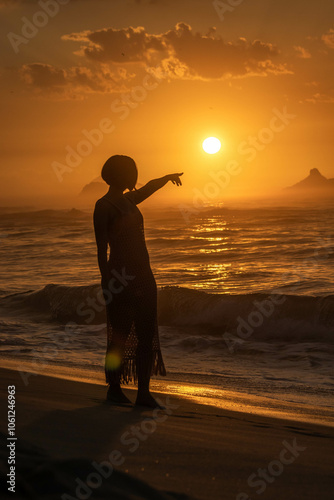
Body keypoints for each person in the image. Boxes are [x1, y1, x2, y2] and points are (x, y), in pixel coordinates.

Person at [93, 155, 183, 408]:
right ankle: (114, 388)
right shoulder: (104, 206)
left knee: (147, 335)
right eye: (132, 172)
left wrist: (166, 178)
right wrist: (106, 280)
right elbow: (101, 249)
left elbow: (148, 188)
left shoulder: (129, 200)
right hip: (121, 277)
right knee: (120, 335)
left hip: (144, 275)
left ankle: (144, 393)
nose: (135, 177)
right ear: (121, 174)